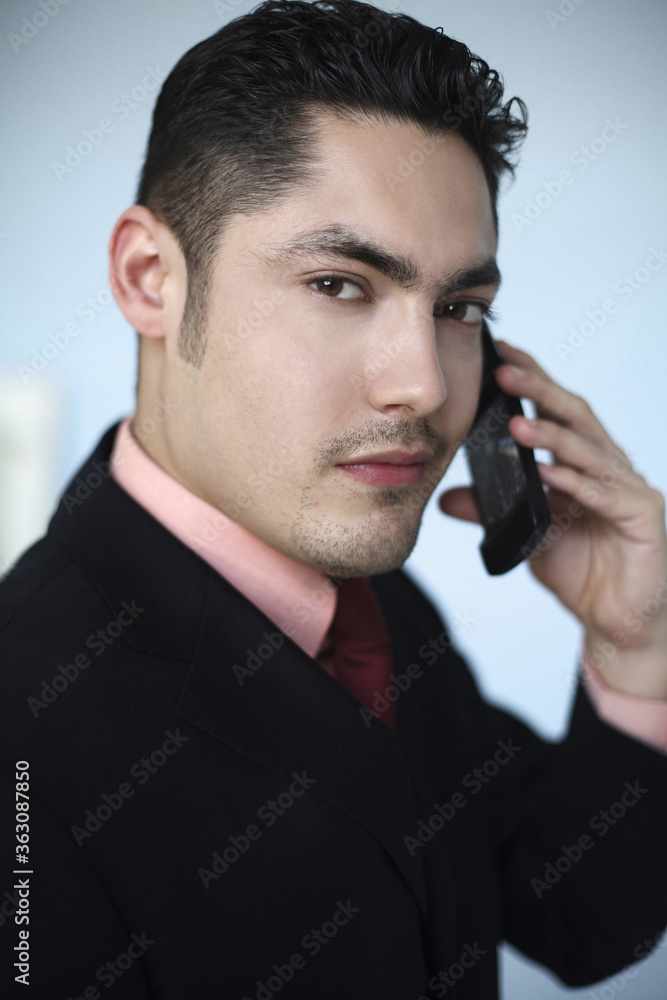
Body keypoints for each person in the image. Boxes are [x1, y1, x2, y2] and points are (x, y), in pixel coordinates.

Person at [1, 1, 666, 997]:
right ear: (150, 277)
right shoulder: (26, 735)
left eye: (457, 309)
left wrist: (637, 646)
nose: (428, 388)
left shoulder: (378, 607)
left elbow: (576, 915)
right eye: (340, 283)